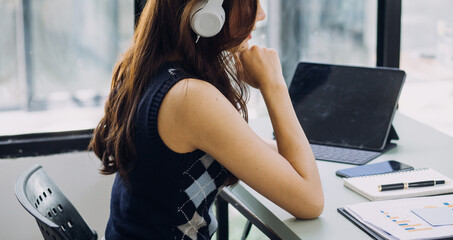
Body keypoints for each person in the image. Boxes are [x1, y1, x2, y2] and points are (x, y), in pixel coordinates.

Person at [90, 0, 324, 239]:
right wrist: (274, 84)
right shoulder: (189, 97)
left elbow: (279, 159)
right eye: (253, 3)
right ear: (209, 10)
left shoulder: (155, 71)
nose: (261, 15)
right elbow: (310, 202)